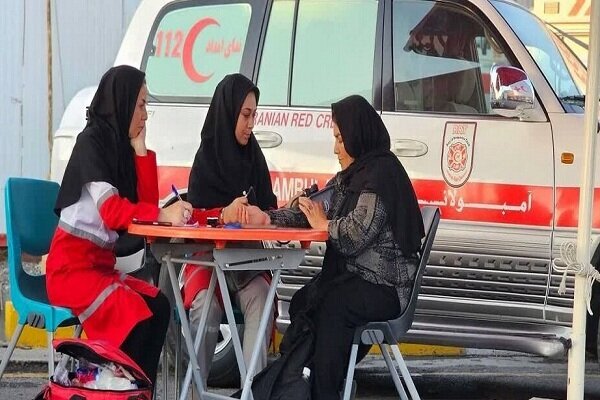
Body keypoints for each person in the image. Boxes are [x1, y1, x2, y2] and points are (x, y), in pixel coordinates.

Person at [251, 94, 425, 400]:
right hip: (359, 280)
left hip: (386, 288)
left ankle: (323, 391)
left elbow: (356, 234)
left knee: (333, 305)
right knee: (306, 299)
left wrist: (324, 224)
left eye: (340, 139)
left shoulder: (380, 176)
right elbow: (315, 209)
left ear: (358, 135)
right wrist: (268, 218)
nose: (335, 148)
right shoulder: (352, 176)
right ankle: (297, 384)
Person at [46, 65, 193, 388]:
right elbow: (114, 213)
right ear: (123, 102)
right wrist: (164, 214)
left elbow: (145, 212)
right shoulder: (92, 144)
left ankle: (139, 392)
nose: (145, 114)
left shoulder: (120, 148)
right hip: (71, 272)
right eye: (140, 104)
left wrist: (140, 149)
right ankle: (120, 391)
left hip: (100, 269)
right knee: (135, 319)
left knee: (158, 306)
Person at [184, 73, 278, 381]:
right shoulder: (206, 159)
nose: (251, 124)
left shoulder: (254, 157)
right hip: (207, 261)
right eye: (245, 115)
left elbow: (270, 208)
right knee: (206, 308)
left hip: (246, 260)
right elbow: (192, 215)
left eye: (254, 116)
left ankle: (253, 391)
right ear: (228, 112)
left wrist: (258, 215)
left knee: (263, 298)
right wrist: (223, 214)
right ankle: (195, 391)